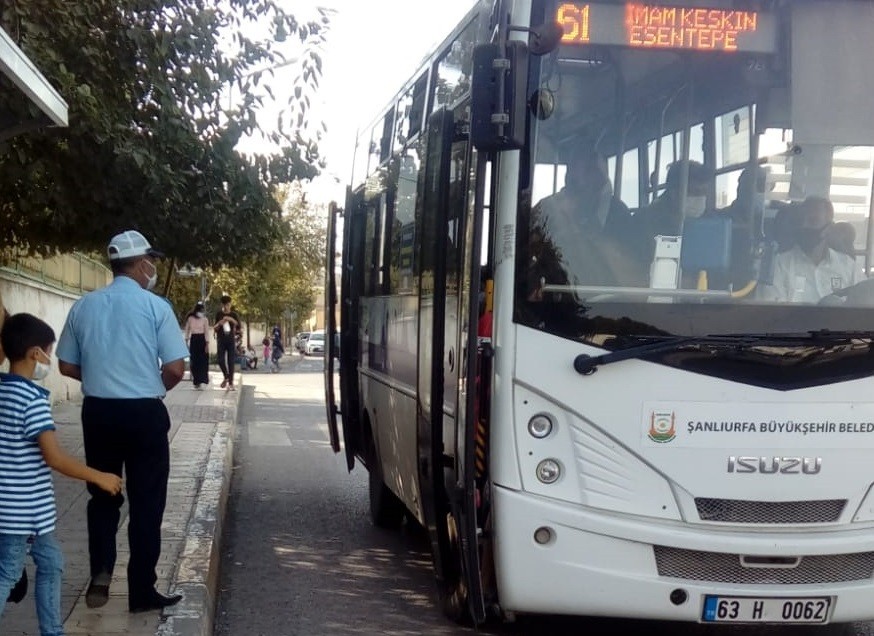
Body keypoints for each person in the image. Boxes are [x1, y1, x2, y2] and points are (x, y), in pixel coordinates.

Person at [55, 229, 188, 613]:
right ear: (143, 263)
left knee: (102, 494)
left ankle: (100, 571)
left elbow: (65, 364)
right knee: (147, 502)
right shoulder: (156, 307)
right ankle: (141, 591)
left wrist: (102, 380)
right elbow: (177, 369)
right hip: (144, 413)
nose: (154, 268)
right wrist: (150, 386)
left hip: (98, 412)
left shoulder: (83, 306)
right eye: (152, 262)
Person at [0, 313, 123, 635]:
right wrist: (99, 476)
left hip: (29, 514)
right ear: (35, 354)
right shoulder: (32, 401)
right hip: (20, 512)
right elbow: (54, 457)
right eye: (49, 352)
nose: (49, 360)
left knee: (52, 565)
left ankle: (52, 630)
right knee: (7, 575)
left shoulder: (3, 392)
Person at [526, 143, 641, 300]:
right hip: (557, 299)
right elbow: (525, 253)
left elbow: (636, 271)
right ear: (569, 178)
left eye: (598, 176)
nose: (594, 182)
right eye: (587, 172)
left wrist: (594, 237)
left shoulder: (618, 213)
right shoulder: (547, 209)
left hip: (611, 303)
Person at [758, 196, 864, 303]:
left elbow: (867, 304)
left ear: (829, 228)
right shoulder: (779, 266)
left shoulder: (848, 267)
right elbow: (771, 312)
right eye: (801, 220)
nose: (804, 225)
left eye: (813, 221)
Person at [629, 159, 713, 267]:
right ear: (674, 192)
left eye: (704, 192)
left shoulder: (708, 223)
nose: (701, 198)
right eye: (695, 192)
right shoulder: (643, 223)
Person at [213, 295, 240, 391]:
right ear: (222, 305)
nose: (227, 307)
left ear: (230, 304)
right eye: (225, 305)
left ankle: (231, 383)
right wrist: (220, 323)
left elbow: (238, 325)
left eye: (228, 305)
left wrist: (230, 319)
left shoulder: (234, 315)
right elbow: (215, 328)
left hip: (231, 340)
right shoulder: (218, 314)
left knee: (230, 361)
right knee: (220, 360)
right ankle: (226, 376)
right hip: (221, 339)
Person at [183, 301, 210, 389]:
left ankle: (202, 380)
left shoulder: (205, 319)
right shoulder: (190, 318)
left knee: (202, 361)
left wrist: (207, 344)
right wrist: (186, 340)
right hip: (194, 339)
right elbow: (187, 330)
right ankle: (196, 381)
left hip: (202, 339)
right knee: (194, 360)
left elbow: (206, 332)